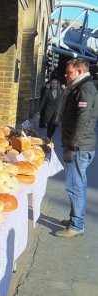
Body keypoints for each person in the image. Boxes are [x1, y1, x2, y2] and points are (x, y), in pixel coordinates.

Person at [54, 58, 98, 238]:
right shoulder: (80, 87)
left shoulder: (84, 89)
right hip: (79, 145)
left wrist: (72, 146)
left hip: (79, 147)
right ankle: (75, 219)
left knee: (75, 186)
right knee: (78, 184)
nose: (66, 75)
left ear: (79, 72)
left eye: (69, 72)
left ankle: (76, 225)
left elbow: (82, 120)